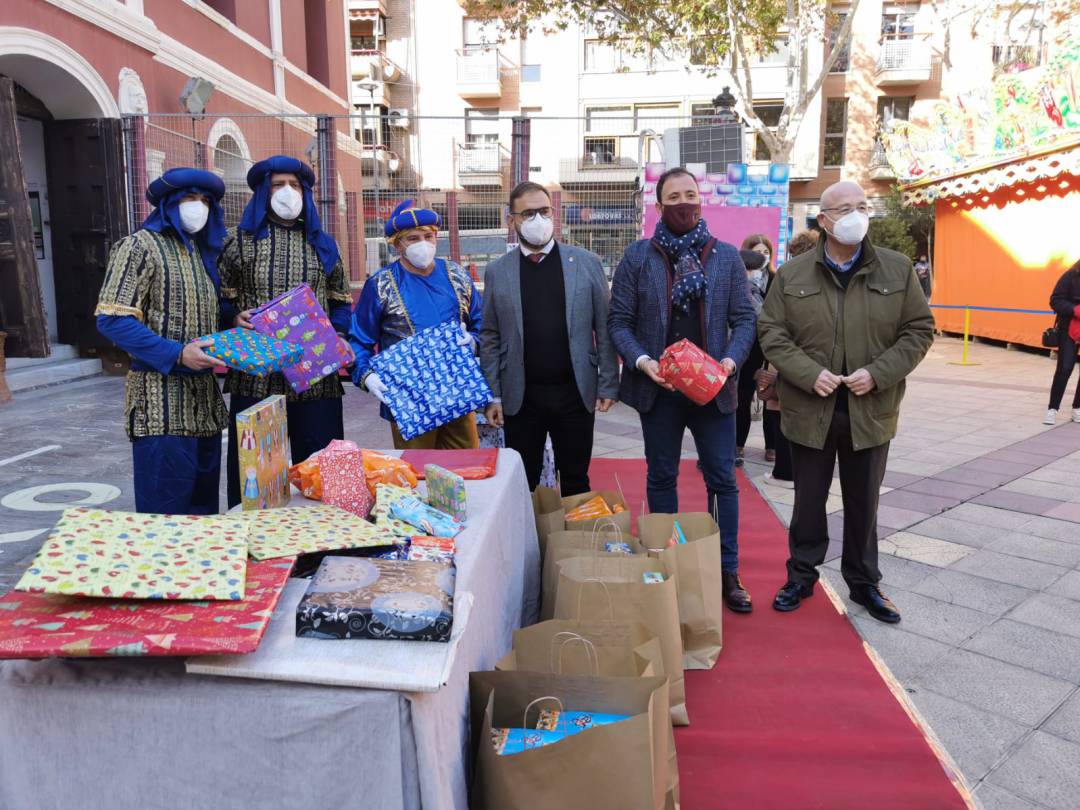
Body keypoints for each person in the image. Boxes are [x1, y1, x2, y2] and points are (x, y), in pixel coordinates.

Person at [759, 181, 934, 624]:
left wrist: (878, 373)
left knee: (864, 501)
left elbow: (918, 330)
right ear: (823, 220)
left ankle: (864, 582)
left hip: (869, 410)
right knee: (808, 501)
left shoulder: (896, 270)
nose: (854, 215)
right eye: (842, 209)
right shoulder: (794, 274)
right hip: (811, 409)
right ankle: (801, 575)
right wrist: (806, 372)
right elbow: (772, 332)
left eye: (861, 206)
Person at [609, 167, 757, 613]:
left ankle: (725, 569)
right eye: (673, 197)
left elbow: (745, 319)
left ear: (701, 200)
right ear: (658, 205)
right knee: (661, 477)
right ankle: (666, 559)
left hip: (715, 390)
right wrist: (642, 361)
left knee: (721, 480)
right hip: (660, 389)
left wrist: (729, 362)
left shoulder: (727, 257)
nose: (683, 203)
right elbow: (620, 321)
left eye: (690, 195)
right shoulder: (638, 257)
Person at [219, 155, 352, 508]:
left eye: (295, 185)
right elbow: (219, 297)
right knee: (255, 480)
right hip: (257, 378)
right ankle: (259, 546)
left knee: (324, 471)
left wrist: (338, 334)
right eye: (278, 185)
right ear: (263, 191)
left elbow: (340, 299)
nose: (287, 192)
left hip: (316, 377)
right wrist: (233, 317)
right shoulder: (238, 241)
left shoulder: (324, 243)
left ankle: (326, 544)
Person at [95, 168, 229, 514]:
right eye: (189, 198)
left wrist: (234, 320)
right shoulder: (139, 247)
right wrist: (177, 354)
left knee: (204, 517)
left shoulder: (202, 255)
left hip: (206, 408)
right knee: (164, 521)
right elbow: (113, 318)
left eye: (205, 201)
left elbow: (199, 315)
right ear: (169, 203)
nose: (198, 207)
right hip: (160, 409)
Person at [479, 181, 619, 495]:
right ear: (511, 220)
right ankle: (528, 544)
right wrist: (494, 395)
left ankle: (573, 543)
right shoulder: (498, 271)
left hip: (575, 394)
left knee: (576, 480)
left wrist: (608, 381)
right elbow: (489, 334)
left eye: (543, 211)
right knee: (522, 483)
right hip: (522, 397)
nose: (538, 220)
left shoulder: (586, 264)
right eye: (528, 213)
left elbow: (605, 326)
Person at [350, 200, 483, 448]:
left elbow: (482, 322)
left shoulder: (457, 275)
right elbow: (359, 339)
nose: (423, 243)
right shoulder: (380, 285)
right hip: (408, 398)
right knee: (417, 473)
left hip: (458, 391)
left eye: (428, 236)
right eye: (413, 238)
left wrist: (475, 342)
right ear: (397, 244)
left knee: (469, 466)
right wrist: (366, 375)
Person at [757, 229, 821, 489]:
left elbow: (775, 320)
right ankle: (803, 470)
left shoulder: (790, 276)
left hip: (790, 354)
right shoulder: (825, 277)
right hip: (815, 358)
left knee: (779, 408)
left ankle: (784, 472)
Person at [734, 240, 780, 466]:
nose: (761, 256)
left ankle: (771, 445)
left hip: (770, 344)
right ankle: (737, 444)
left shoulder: (776, 279)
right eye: (757, 252)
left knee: (772, 394)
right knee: (742, 395)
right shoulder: (737, 279)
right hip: (747, 345)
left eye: (766, 252)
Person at [1045, 258, 1080, 425]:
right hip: (1069, 328)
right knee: (1065, 368)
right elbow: (1055, 300)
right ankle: (1052, 409)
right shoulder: (1070, 276)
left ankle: (1077, 409)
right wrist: (1074, 309)